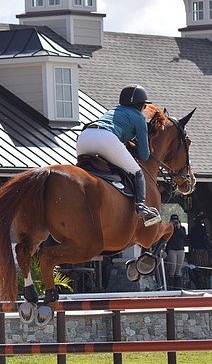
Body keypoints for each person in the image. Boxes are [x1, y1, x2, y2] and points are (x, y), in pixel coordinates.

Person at [75, 84, 161, 225]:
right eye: (144, 106)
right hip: (105, 138)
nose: (144, 109)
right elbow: (144, 155)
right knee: (137, 171)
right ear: (140, 105)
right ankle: (141, 207)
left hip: (84, 137)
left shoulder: (114, 110)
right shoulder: (139, 117)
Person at [188, 213, 212, 288]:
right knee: (203, 267)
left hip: (196, 250)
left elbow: (190, 238)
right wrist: (210, 247)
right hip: (202, 250)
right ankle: (203, 283)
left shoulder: (193, 229)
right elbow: (205, 239)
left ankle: (199, 283)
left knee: (197, 267)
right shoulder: (202, 229)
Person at [165, 214, 187, 287]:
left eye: (176, 221)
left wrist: (178, 228)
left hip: (180, 249)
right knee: (172, 267)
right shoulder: (169, 229)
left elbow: (184, 236)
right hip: (172, 249)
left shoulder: (182, 228)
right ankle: (170, 286)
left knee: (178, 269)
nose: (175, 223)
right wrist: (171, 227)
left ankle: (177, 287)